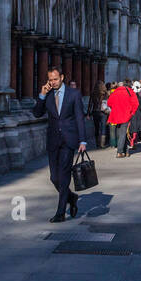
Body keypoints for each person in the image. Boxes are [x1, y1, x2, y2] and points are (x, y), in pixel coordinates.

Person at [32, 66, 88, 223]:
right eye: (50, 79)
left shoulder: (74, 94)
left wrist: (82, 140)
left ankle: (60, 212)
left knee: (64, 176)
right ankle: (72, 197)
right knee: (54, 177)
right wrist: (42, 96)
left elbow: (79, 117)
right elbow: (36, 113)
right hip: (53, 139)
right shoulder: (47, 94)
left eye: (55, 79)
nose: (53, 82)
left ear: (62, 77)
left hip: (69, 140)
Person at [107, 81, 138, 159]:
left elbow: (109, 103)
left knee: (119, 132)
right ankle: (120, 152)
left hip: (116, 114)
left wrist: (114, 108)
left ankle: (125, 150)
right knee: (123, 133)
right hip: (126, 114)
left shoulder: (115, 92)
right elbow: (136, 103)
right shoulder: (130, 92)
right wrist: (132, 112)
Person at [91, 81, 111, 150]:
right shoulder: (105, 94)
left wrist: (88, 113)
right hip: (103, 112)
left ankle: (97, 143)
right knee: (103, 127)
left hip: (95, 112)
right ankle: (102, 144)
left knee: (96, 128)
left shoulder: (93, 93)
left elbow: (90, 104)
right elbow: (108, 103)